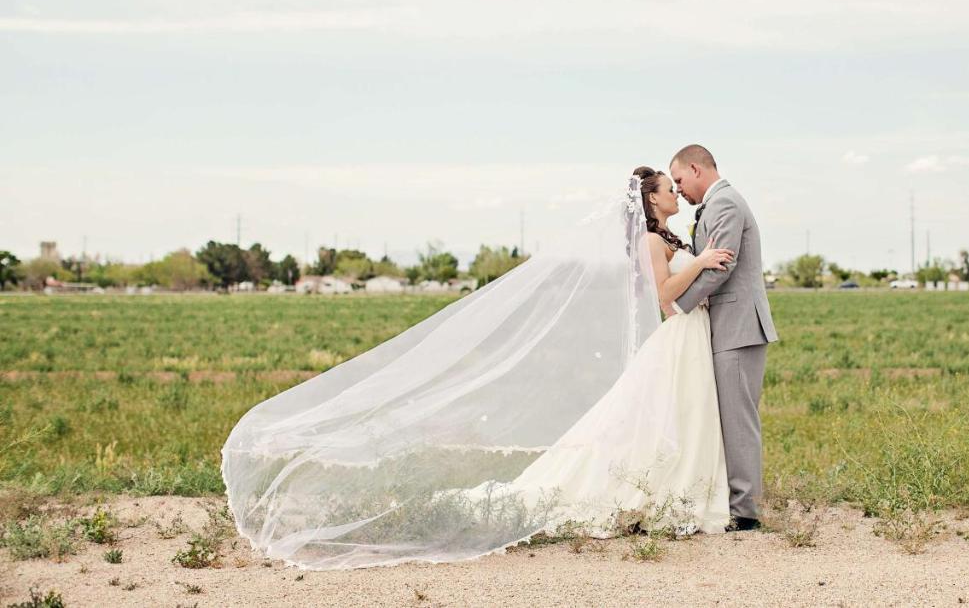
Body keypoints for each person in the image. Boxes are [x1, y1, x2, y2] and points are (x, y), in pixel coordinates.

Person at [221, 154, 771, 570]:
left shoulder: (676, 229)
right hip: (682, 329)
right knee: (675, 417)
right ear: (651, 200)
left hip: (690, 335)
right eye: (669, 188)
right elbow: (664, 294)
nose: (677, 192)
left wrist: (693, 261)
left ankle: (707, 496)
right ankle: (707, 501)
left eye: (680, 184)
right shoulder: (658, 243)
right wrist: (696, 262)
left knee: (688, 418)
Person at [668, 144, 778, 529]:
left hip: (738, 327)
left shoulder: (725, 203)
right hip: (728, 326)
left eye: (680, 180)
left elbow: (721, 267)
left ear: (697, 169)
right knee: (728, 417)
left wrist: (678, 304)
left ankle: (746, 513)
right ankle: (735, 502)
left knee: (738, 418)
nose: (678, 189)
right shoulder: (715, 205)